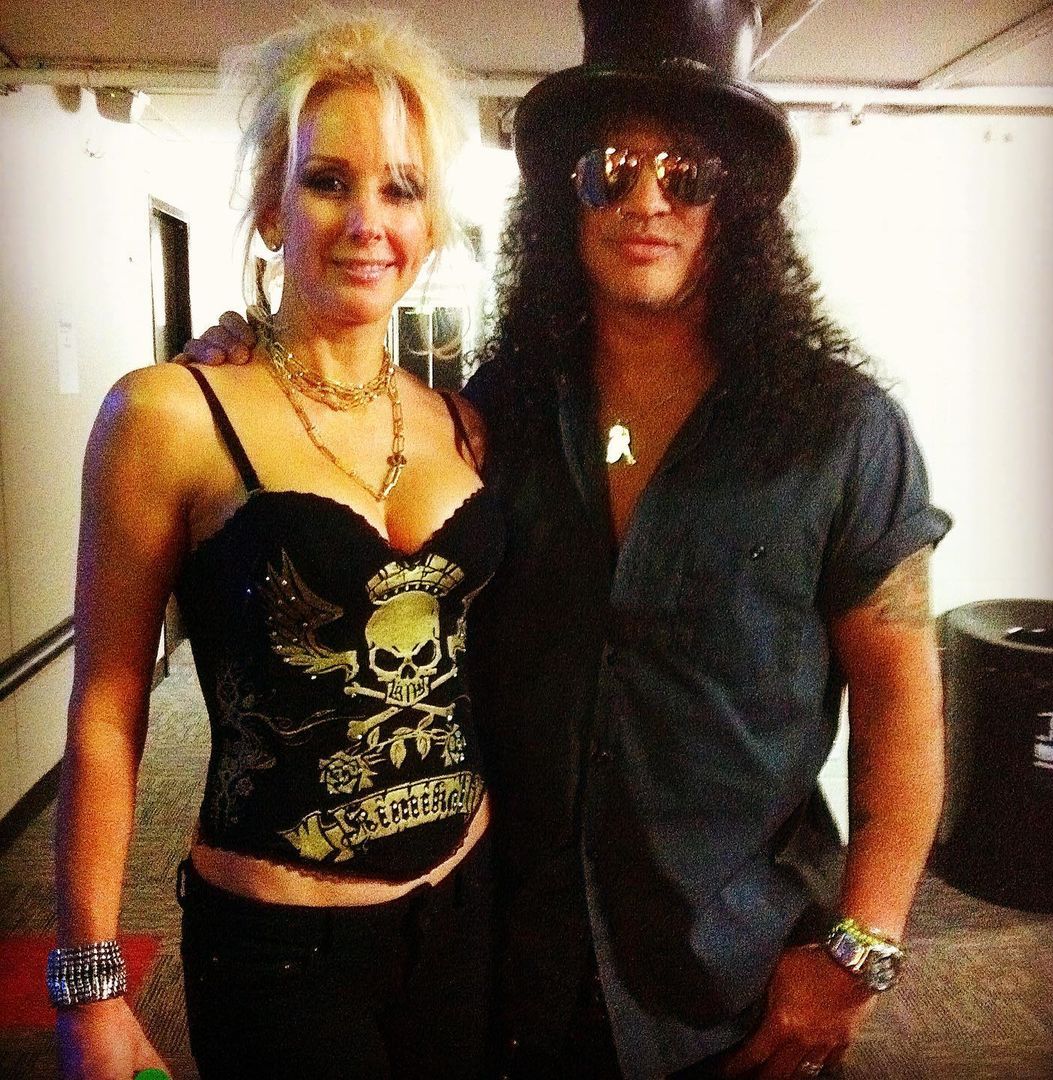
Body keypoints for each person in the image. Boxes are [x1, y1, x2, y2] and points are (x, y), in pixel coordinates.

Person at [188, 2, 951, 1077]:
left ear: (737, 202)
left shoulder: (840, 432)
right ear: (565, 196)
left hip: (732, 989)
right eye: (610, 170)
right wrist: (251, 358)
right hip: (511, 973)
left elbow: (903, 704)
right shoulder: (493, 414)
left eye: (687, 174)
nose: (647, 200)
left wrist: (862, 947)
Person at [52, 9, 500, 1079]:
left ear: (432, 224)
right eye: (328, 181)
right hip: (281, 956)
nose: (368, 221)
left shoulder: (464, 424)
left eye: (402, 188)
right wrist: (90, 988)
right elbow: (107, 706)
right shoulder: (168, 415)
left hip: (468, 912)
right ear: (269, 206)